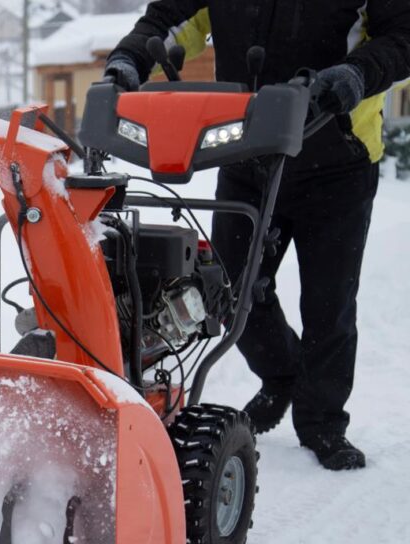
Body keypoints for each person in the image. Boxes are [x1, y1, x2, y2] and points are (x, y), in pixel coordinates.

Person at [103, 1, 410, 470]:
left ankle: (323, 424)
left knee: (329, 304)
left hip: (337, 157)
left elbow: (401, 37)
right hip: (246, 149)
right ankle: (281, 373)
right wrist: (131, 58)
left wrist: (356, 74)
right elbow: (171, 20)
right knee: (230, 291)